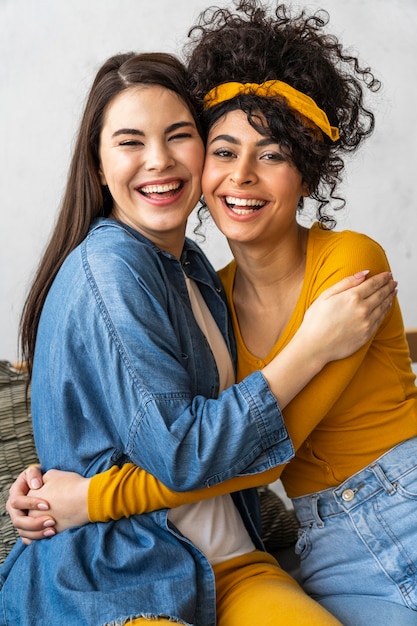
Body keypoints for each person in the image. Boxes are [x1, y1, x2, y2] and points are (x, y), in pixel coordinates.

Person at [10, 2, 417, 625]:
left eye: (273, 154)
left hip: (401, 508)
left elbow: (260, 456)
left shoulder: (336, 263)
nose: (242, 176)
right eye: (224, 150)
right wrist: (55, 491)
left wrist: (90, 499)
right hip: (305, 549)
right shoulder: (181, 281)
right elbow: (198, 439)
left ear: (306, 172)